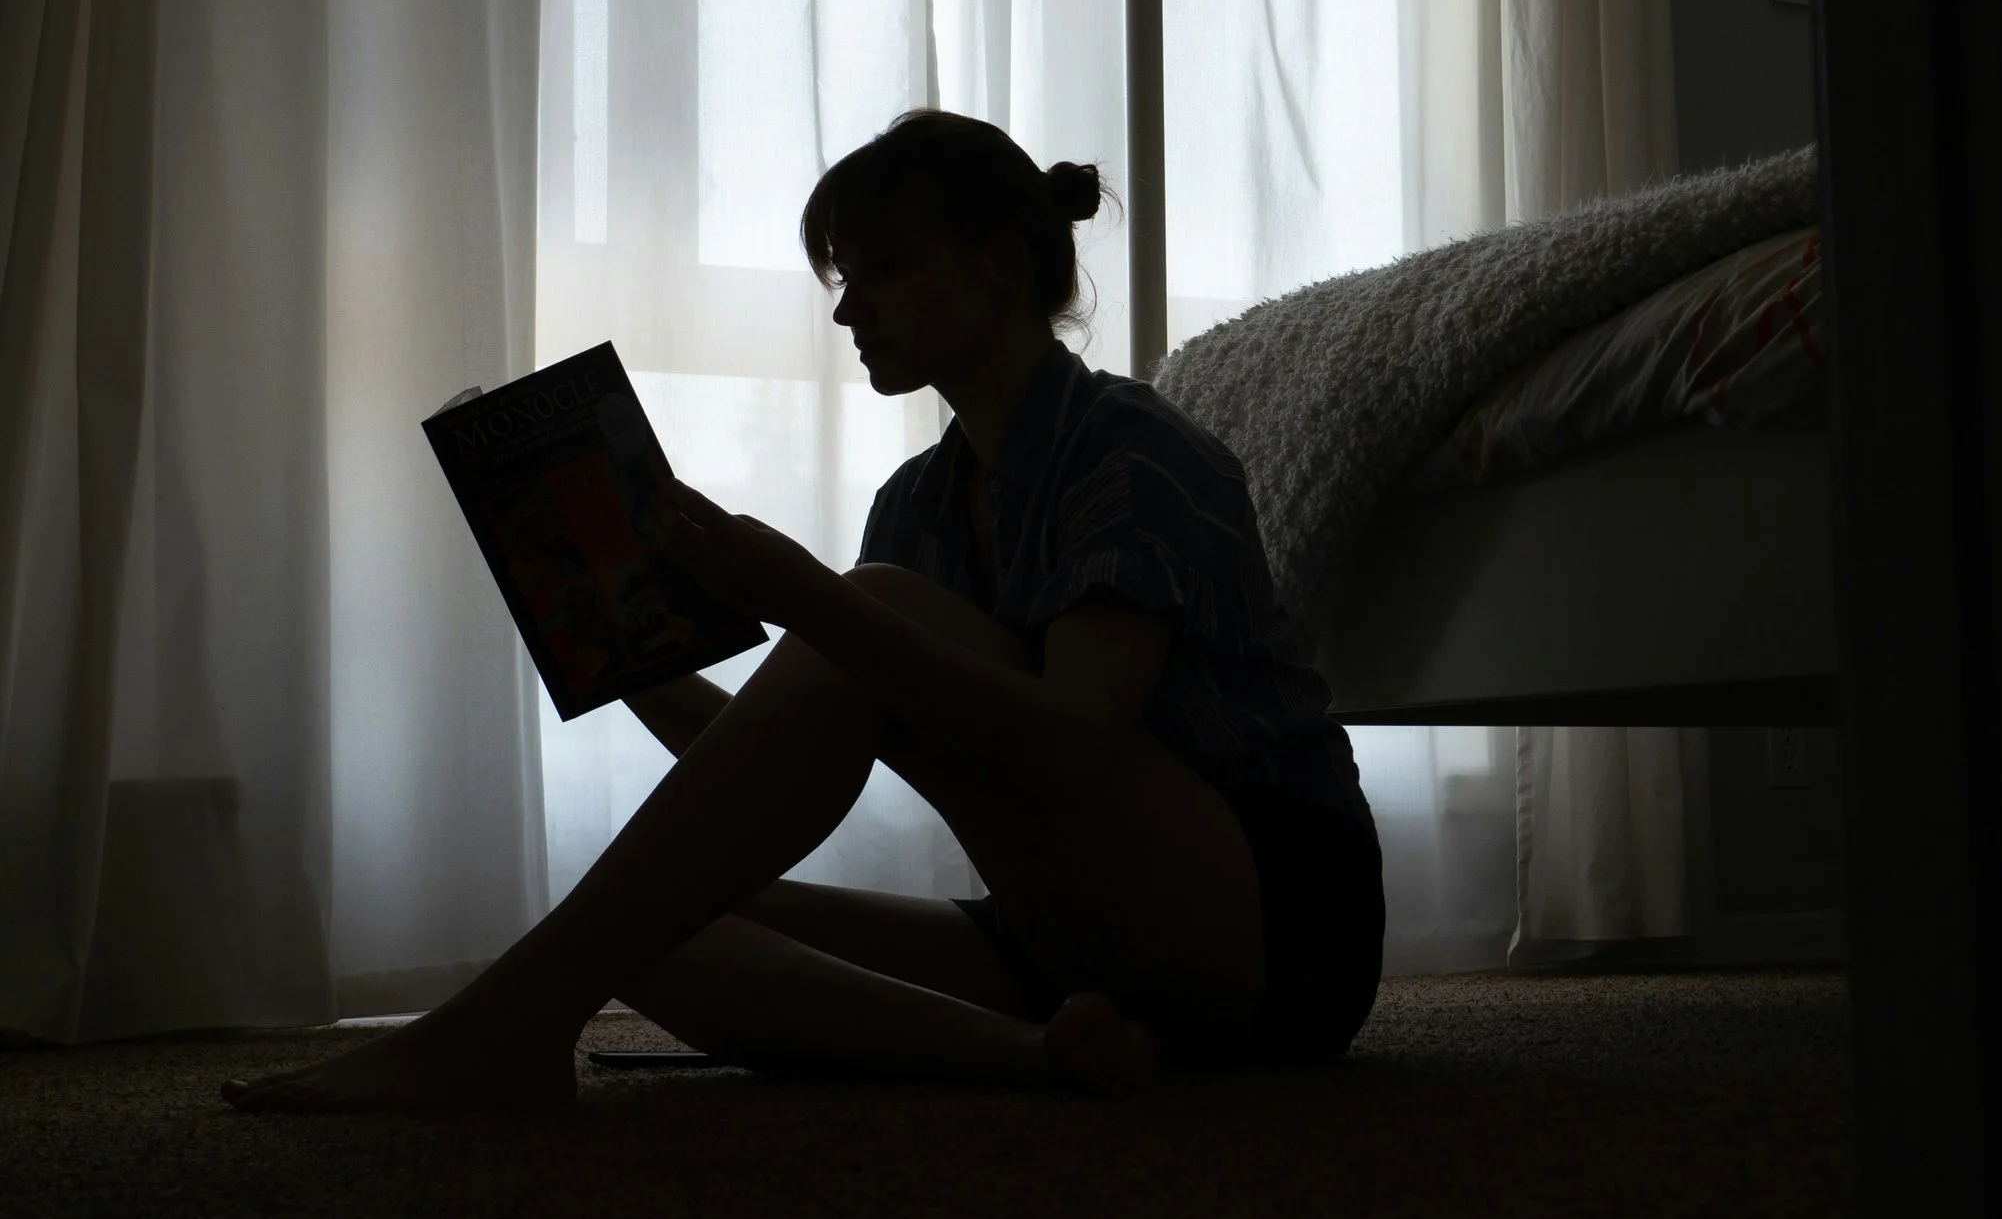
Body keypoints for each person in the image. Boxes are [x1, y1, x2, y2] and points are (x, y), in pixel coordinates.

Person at [224, 110, 1385, 1111]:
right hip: (1073, 939)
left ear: (998, 265)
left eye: (884, 270)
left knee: (866, 612)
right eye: (844, 280)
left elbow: (1072, 743)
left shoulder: (1131, 455)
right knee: (645, 927)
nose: (847, 314)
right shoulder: (920, 503)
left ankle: (497, 1029)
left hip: (1270, 930)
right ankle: (1041, 1057)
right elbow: (782, 752)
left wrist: (801, 596)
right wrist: (615, 633)